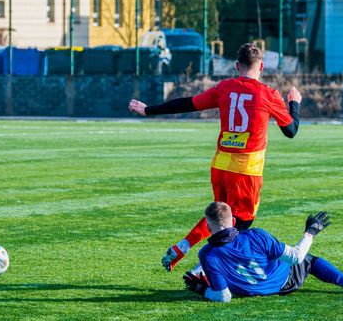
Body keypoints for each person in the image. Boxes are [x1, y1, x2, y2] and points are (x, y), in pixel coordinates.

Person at [129, 43, 302, 272]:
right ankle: (201, 270)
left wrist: (149, 110)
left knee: (221, 217)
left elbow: (188, 103)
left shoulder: (224, 88)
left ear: (237, 66)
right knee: (240, 225)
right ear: (261, 66)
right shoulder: (268, 94)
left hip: (220, 165)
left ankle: (184, 246)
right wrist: (294, 104)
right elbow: (291, 131)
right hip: (246, 170)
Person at [182, 202, 343, 302]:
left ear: (207, 227)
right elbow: (296, 257)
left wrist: (201, 289)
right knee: (308, 261)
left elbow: (224, 297)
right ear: (233, 221)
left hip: (251, 292)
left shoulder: (206, 254)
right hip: (283, 281)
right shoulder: (256, 235)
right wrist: (311, 232)